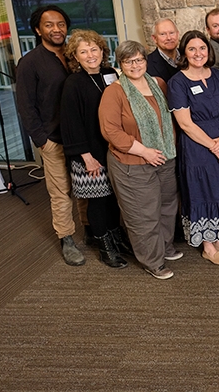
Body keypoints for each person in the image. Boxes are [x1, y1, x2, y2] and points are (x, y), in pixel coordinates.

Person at [99, 41, 180, 280]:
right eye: (128, 61)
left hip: (164, 157)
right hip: (132, 162)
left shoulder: (159, 84)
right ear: (120, 65)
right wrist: (144, 151)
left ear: (146, 60)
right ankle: (153, 261)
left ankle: (164, 247)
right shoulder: (114, 91)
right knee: (143, 214)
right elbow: (110, 131)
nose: (135, 65)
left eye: (139, 59)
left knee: (166, 207)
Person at [15, 5, 85, 266]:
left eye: (60, 24)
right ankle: (66, 238)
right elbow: (26, 106)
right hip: (53, 139)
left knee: (86, 186)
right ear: (37, 29)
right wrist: (41, 139)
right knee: (61, 192)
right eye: (49, 25)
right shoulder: (30, 62)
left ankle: (90, 231)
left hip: (81, 137)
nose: (56, 29)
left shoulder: (75, 55)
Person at [168, 30, 219, 265]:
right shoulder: (177, 82)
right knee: (203, 191)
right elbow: (185, 124)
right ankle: (208, 246)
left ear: (209, 51)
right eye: (191, 49)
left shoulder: (218, 76)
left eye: (202, 48)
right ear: (184, 53)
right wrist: (213, 145)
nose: (198, 53)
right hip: (197, 146)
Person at [60, 29, 128, 268]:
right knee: (97, 201)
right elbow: (71, 125)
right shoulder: (73, 84)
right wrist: (86, 157)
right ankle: (105, 247)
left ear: (102, 51)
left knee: (112, 198)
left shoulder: (110, 74)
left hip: (110, 149)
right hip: (87, 153)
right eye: (83, 52)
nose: (90, 55)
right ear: (75, 57)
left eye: (94, 49)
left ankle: (116, 237)